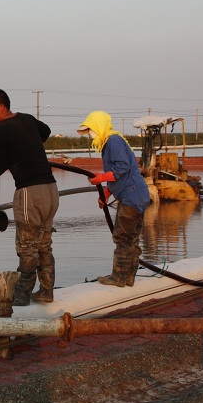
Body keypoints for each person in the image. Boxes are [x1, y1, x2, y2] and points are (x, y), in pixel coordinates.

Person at [0, 89, 59, 305]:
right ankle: (46, 292)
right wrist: (28, 146)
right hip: (51, 190)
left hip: (30, 192)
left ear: (1, 107)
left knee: (27, 245)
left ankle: (21, 297)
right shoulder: (27, 119)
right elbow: (46, 131)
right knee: (44, 243)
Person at [78, 110, 150, 287]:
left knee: (122, 238)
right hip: (136, 194)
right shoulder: (110, 142)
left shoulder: (113, 141)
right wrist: (106, 193)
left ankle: (119, 277)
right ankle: (128, 278)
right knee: (131, 239)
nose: (90, 134)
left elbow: (122, 167)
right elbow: (119, 175)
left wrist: (100, 178)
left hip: (131, 196)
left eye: (91, 129)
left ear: (99, 126)